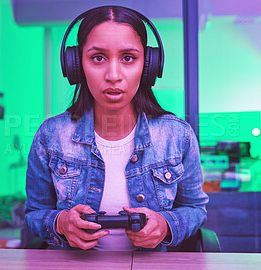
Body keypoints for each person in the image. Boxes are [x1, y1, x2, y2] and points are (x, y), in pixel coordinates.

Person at [25, 5, 208, 252]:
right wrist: (60, 223)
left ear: (149, 65)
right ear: (76, 65)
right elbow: (35, 213)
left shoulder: (178, 135)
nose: (113, 75)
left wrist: (166, 224)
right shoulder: (51, 135)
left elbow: (196, 209)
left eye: (128, 58)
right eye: (98, 58)